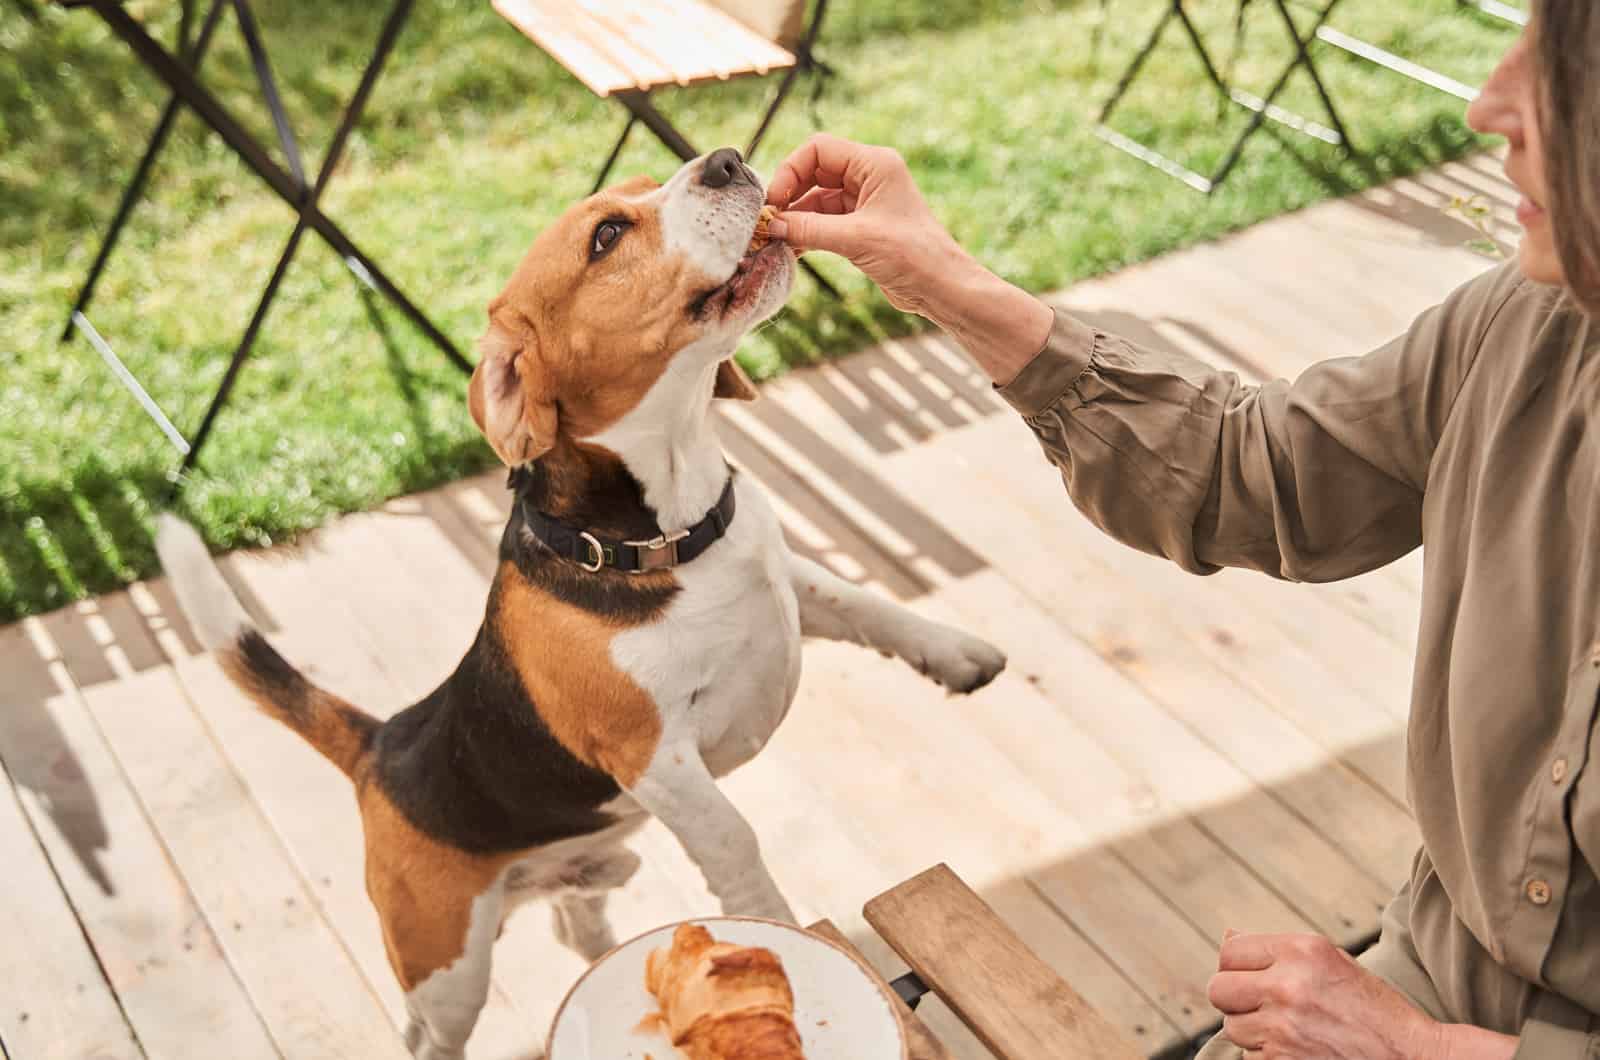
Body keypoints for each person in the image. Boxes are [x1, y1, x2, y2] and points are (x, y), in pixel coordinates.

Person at [761, 1, 1600, 1057]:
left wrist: (1411, 1047)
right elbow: (1262, 473)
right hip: (1436, 974)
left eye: (1568, 68)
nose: (1490, 105)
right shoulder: (1533, 326)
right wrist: (941, 281)